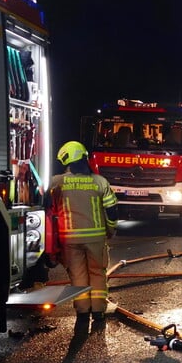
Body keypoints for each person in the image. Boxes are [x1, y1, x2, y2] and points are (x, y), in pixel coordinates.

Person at [46, 140, 118, 334]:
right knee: (97, 274)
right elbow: (112, 210)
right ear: (84, 158)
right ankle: (98, 312)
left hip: (69, 239)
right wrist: (111, 229)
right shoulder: (99, 181)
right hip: (96, 238)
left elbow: (41, 197)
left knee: (77, 276)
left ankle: (83, 313)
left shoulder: (57, 181)